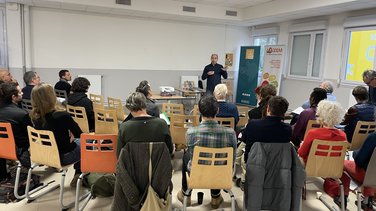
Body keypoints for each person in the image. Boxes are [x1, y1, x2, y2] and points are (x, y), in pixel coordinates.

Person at [177, 94, 237, 209]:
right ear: (217, 110)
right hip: (222, 175)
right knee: (218, 159)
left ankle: (186, 194)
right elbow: (232, 159)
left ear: (199, 110)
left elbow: (191, 158)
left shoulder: (191, 133)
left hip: (198, 174)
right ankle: (216, 197)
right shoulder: (230, 133)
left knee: (186, 156)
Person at [297, 100, 347, 208]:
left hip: (311, 168)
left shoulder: (313, 133)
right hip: (333, 170)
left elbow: (301, 153)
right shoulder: (343, 135)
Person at [29, 84, 82, 187]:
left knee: (77, 142)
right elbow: (80, 134)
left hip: (47, 155)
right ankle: (79, 174)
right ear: (52, 96)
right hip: (64, 156)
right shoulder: (62, 115)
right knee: (88, 142)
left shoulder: (34, 117)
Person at [116, 92, 173, 157]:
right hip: (158, 165)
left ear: (129, 107)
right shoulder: (162, 124)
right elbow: (170, 150)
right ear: (145, 104)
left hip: (132, 166)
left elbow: (119, 155)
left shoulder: (124, 127)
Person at [243, 96, 292, 164]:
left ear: (268, 109)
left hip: (253, 163)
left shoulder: (253, 124)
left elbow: (244, 139)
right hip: (275, 165)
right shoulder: (288, 129)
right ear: (284, 112)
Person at [0, 82, 32, 181]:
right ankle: (26, 172)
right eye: (20, 92)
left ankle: (3, 176)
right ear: (13, 97)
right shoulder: (21, 114)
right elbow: (30, 134)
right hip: (18, 149)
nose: (22, 93)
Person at [342, 133, 375, 210]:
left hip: (366, 176)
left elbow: (359, 161)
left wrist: (355, 154)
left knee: (342, 163)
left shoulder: (373, 137)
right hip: (372, 176)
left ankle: (342, 198)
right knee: (372, 170)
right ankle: (367, 201)